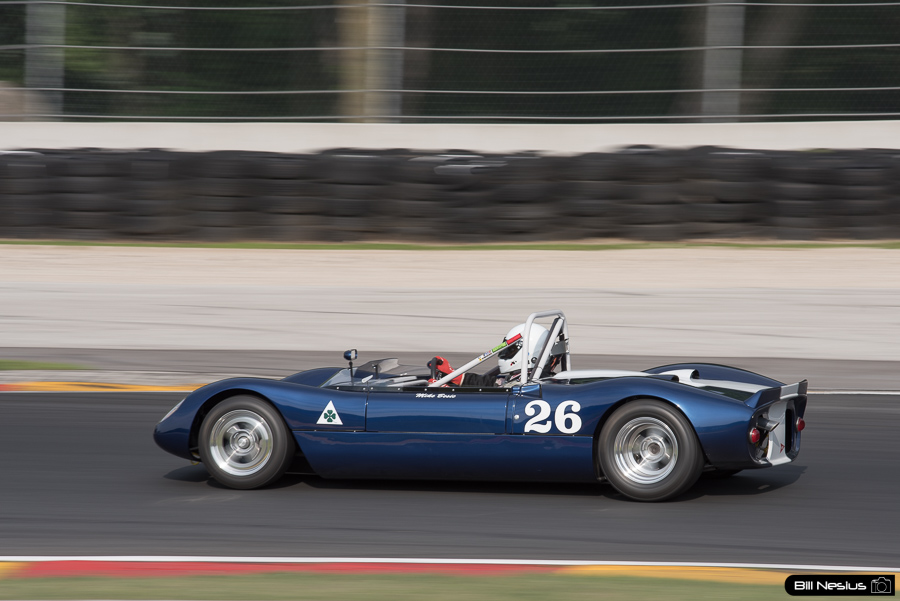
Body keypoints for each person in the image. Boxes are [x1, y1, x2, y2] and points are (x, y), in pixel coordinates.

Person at [429, 322, 558, 387]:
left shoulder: (527, 384)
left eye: (511, 349)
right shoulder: (528, 378)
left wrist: (450, 394)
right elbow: (493, 384)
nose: (505, 353)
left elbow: (494, 395)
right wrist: (457, 377)